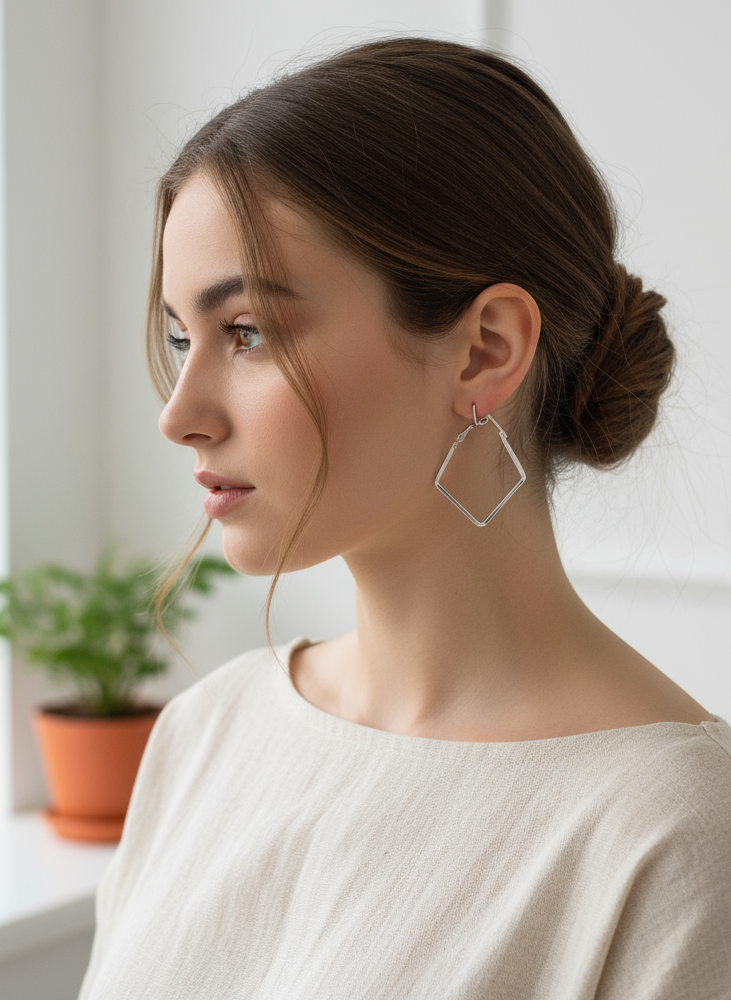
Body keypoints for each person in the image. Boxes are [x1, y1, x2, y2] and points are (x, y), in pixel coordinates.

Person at [79, 37, 731, 1001]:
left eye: (246, 332)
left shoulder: (673, 836)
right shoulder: (203, 734)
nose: (179, 412)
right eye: (182, 337)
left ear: (484, 351)